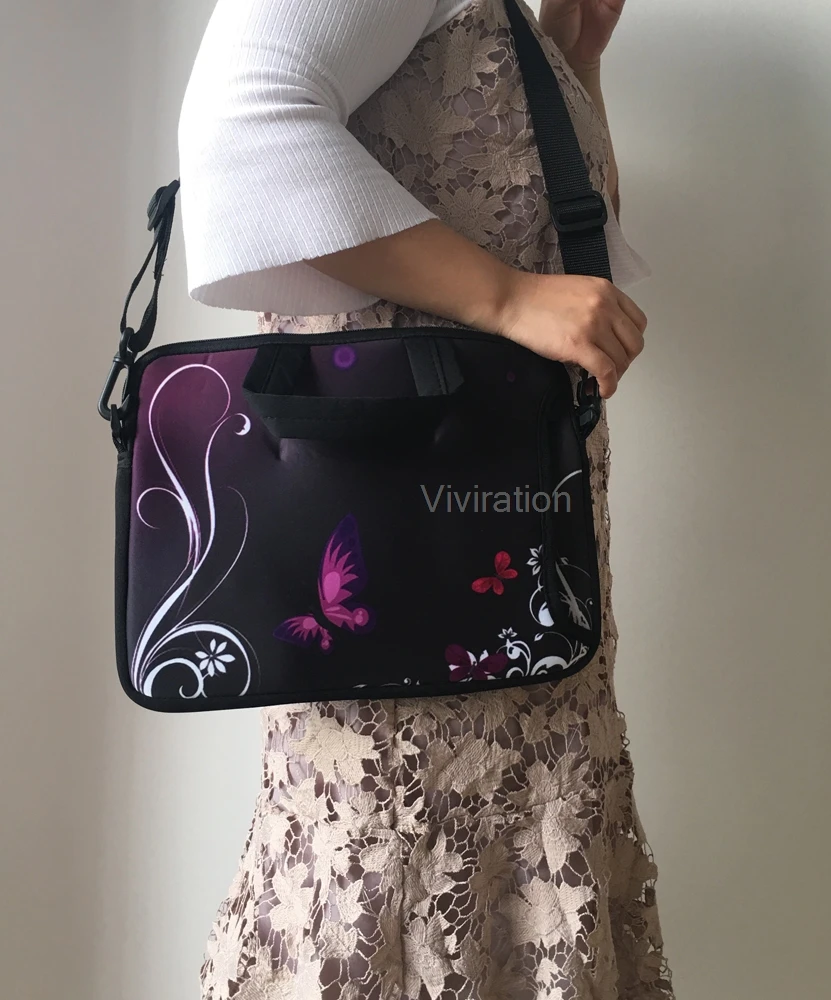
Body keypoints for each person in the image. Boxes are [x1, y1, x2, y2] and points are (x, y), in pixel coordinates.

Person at [178, 0, 676, 996]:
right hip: (410, 553)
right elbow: (242, 120)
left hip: (515, 549)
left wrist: (573, 61)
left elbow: (567, 255)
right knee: (400, 856)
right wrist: (504, 298)